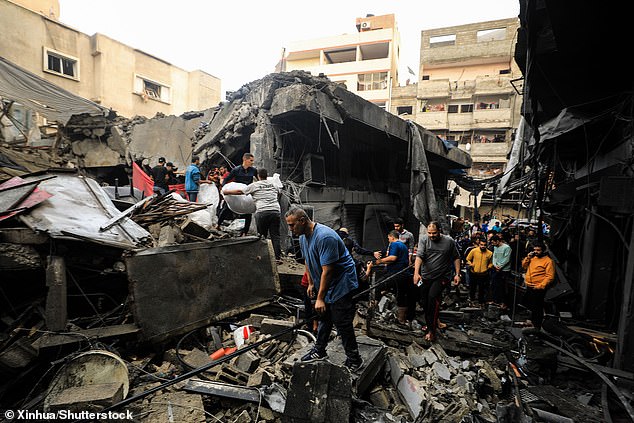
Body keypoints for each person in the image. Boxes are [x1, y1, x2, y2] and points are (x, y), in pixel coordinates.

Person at [285, 207, 363, 371]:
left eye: (292, 225)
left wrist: (320, 298)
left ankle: (355, 360)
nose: (290, 229)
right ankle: (319, 350)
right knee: (324, 316)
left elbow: (329, 270)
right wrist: (312, 283)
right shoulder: (303, 237)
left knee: (341, 320)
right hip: (326, 280)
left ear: (302, 221)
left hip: (341, 281)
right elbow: (308, 261)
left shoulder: (324, 236)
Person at [414, 221, 461, 342]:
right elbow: (419, 256)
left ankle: (432, 331)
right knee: (423, 301)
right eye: (429, 233)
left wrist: (457, 274)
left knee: (432, 299)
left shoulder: (449, 241)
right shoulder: (424, 240)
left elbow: (456, 257)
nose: (431, 235)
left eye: (434, 233)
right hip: (426, 276)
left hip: (442, 276)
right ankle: (434, 322)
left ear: (439, 230)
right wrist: (416, 273)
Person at [223, 168, 282, 260]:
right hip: (275, 211)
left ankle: (263, 257)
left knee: (262, 236)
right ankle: (277, 258)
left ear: (258, 176)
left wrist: (227, 192)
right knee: (275, 235)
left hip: (262, 211)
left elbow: (240, 192)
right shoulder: (274, 184)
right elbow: (279, 193)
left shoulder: (254, 185)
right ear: (267, 176)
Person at [374, 230, 415, 326]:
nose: (388, 240)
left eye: (388, 238)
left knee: (378, 286)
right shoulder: (404, 246)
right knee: (401, 296)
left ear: (391, 237)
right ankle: (402, 320)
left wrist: (380, 261)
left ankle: (371, 311)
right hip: (404, 275)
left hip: (396, 274)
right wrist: (384, 262)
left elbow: (393, 258)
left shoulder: (394, 244)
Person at [217, 153, 257, 235]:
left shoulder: (253, 170)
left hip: (246, 194)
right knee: (226, 207)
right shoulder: (236, 170)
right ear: (245, 160)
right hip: (236, 193)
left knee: (248, 212)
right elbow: (226, 179)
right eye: (251, 160)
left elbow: (259, 180)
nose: (252, 162)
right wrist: (224, 188)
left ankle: (245, 232)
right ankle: (218, 225)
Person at [521, 242, 555, 330]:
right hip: (530, 286)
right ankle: (531, 321)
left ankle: (536, 325)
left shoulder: (548, 261)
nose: (536, 252)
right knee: (531, 305)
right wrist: (528, 257)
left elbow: (550, 276)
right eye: (535, 250)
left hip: (538, 287)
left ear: (543, 251)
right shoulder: (532, 258)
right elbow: (524, 266)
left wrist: (541, 286)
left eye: (538, 250)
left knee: (537, 307)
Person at [465, 238, 493, 306]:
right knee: (472, 287)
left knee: (482, 288)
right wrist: (471, 264)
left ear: (486, 245)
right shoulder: (474, 251)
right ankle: (471, 300)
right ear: (479, 244)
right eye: (481, 245)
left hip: (483, 274)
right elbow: (468, 259)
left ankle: (481, 301)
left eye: (484, 245)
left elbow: (491, 262)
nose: (483, 246)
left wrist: (489, 267)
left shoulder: (490, 253)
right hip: (474, 272)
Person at [491, 234, 512, 309]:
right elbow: (494, 256)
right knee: (495, 285)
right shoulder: (495, 247)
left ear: (497, 241)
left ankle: (504, 303)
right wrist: (495, 265)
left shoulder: (507, 247)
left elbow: (507, 259)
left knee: (503, 287)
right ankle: (496, 300)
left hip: (504, 270)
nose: (493, 244)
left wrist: (500, 266)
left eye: (493, 242)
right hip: (496, 268)